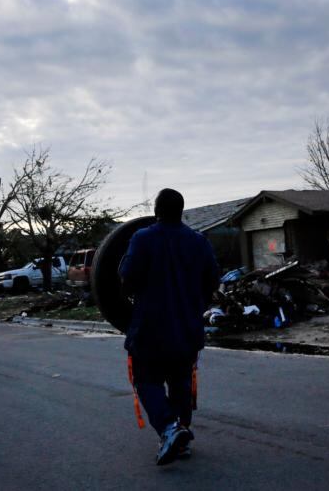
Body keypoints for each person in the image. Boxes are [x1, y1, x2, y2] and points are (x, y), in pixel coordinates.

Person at [119, 188, 220, 466]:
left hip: (150, 328)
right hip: (187, 327)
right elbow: (213, 280)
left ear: (156, 211)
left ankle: (170, 428)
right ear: (181, 211)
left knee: (147, 380)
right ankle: (180, 438)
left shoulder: (143, 238)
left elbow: (127, 278)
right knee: (180, 383)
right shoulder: (199, 241)